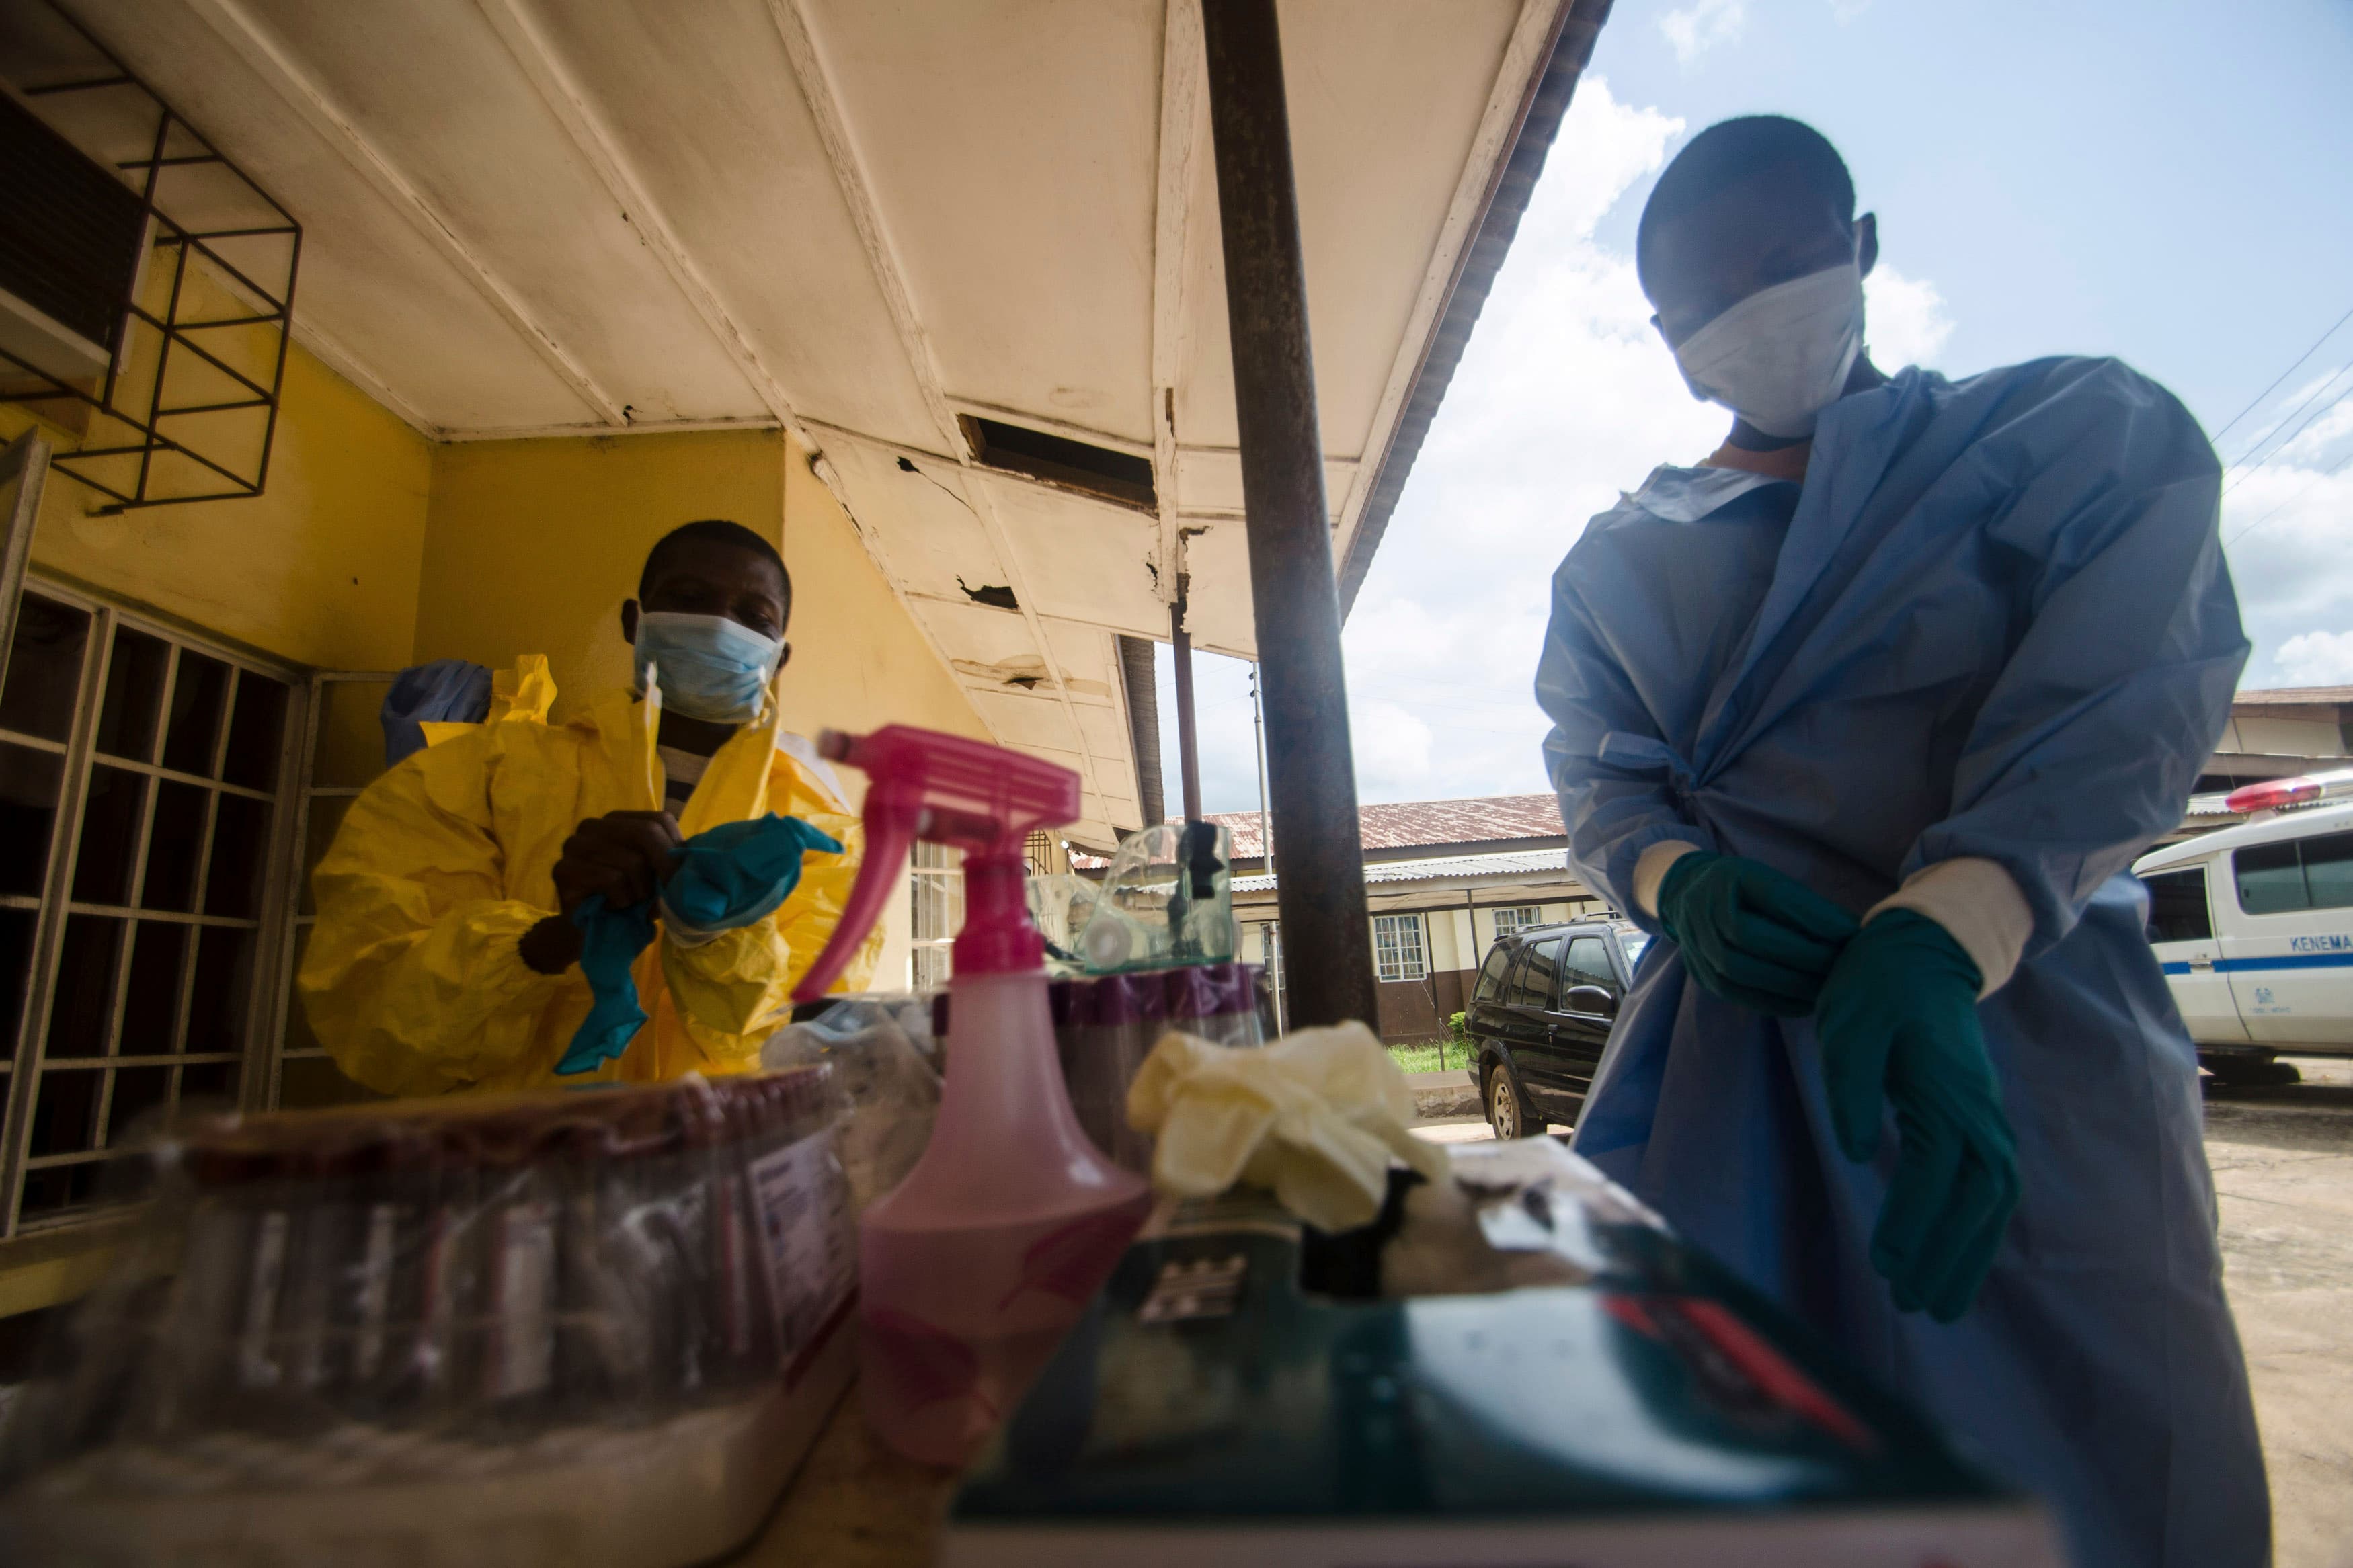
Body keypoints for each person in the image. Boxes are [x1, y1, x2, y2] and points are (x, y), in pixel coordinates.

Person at [1536, 117, 2266, 1567]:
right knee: (1755, 1471)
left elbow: (2127, 701)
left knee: (2107, 1458)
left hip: (2028, 1039)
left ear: (1859, 249)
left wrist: (1955, 922)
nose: (1759, 308)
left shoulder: (2069, 438)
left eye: (1789, 260)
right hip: (1730, 1067)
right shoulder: (1617, 561)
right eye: (1709, 301)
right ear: (1674, 345)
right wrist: (1677, 884)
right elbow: (1596, 783)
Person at [302, 518, 880, 1094]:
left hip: (713, 1167)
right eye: (689, 598)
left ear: (779, 657)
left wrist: (721, 938)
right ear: (636, 622)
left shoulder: (821, 833)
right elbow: (374, 1025)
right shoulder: (474, 777)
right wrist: (547, 940)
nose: (719, 624)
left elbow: (808, 1051)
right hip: (509, 1162)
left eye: (753, 617)